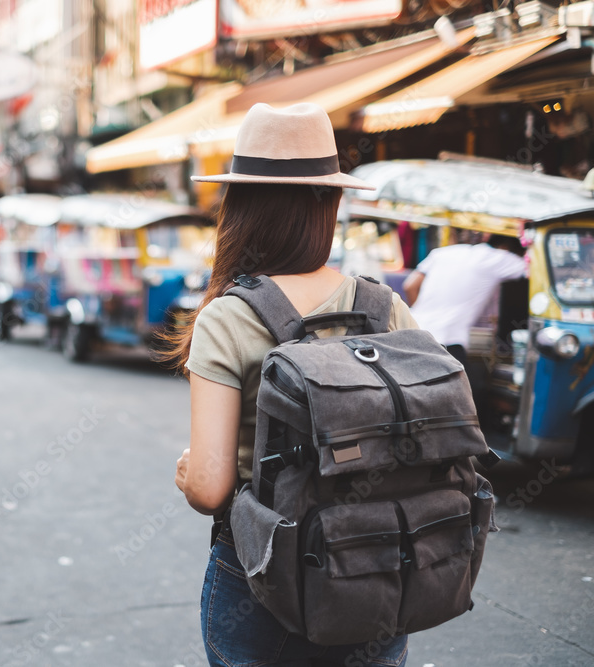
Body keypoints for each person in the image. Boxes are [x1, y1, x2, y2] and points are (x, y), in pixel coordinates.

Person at [167, 104, 418, 666]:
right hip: (377, 567)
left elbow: (210, 489)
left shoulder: (228, 317)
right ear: (328, 203)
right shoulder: (385, 306)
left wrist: (189, 472)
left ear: (240, 209)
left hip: (264, 575)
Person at [402, 235, 528, 365]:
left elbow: (410, 285)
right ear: (505, 247)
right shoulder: (499, 258)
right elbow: (534, 270)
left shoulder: (442, 253)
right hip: (447, 341)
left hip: (413, 332)